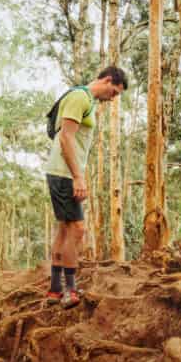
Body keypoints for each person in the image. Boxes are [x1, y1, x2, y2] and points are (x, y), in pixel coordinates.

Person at [44, 66, 128, 308]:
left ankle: (55, 290)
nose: (113, 98)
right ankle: (70, 291)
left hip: (62, 172)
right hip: (64, 174)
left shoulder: (85, 99)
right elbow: (65, 138)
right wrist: (78, 177)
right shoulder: (79, 97)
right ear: (108, 80)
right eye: (114, 92)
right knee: (78, 229)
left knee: (64, 229)